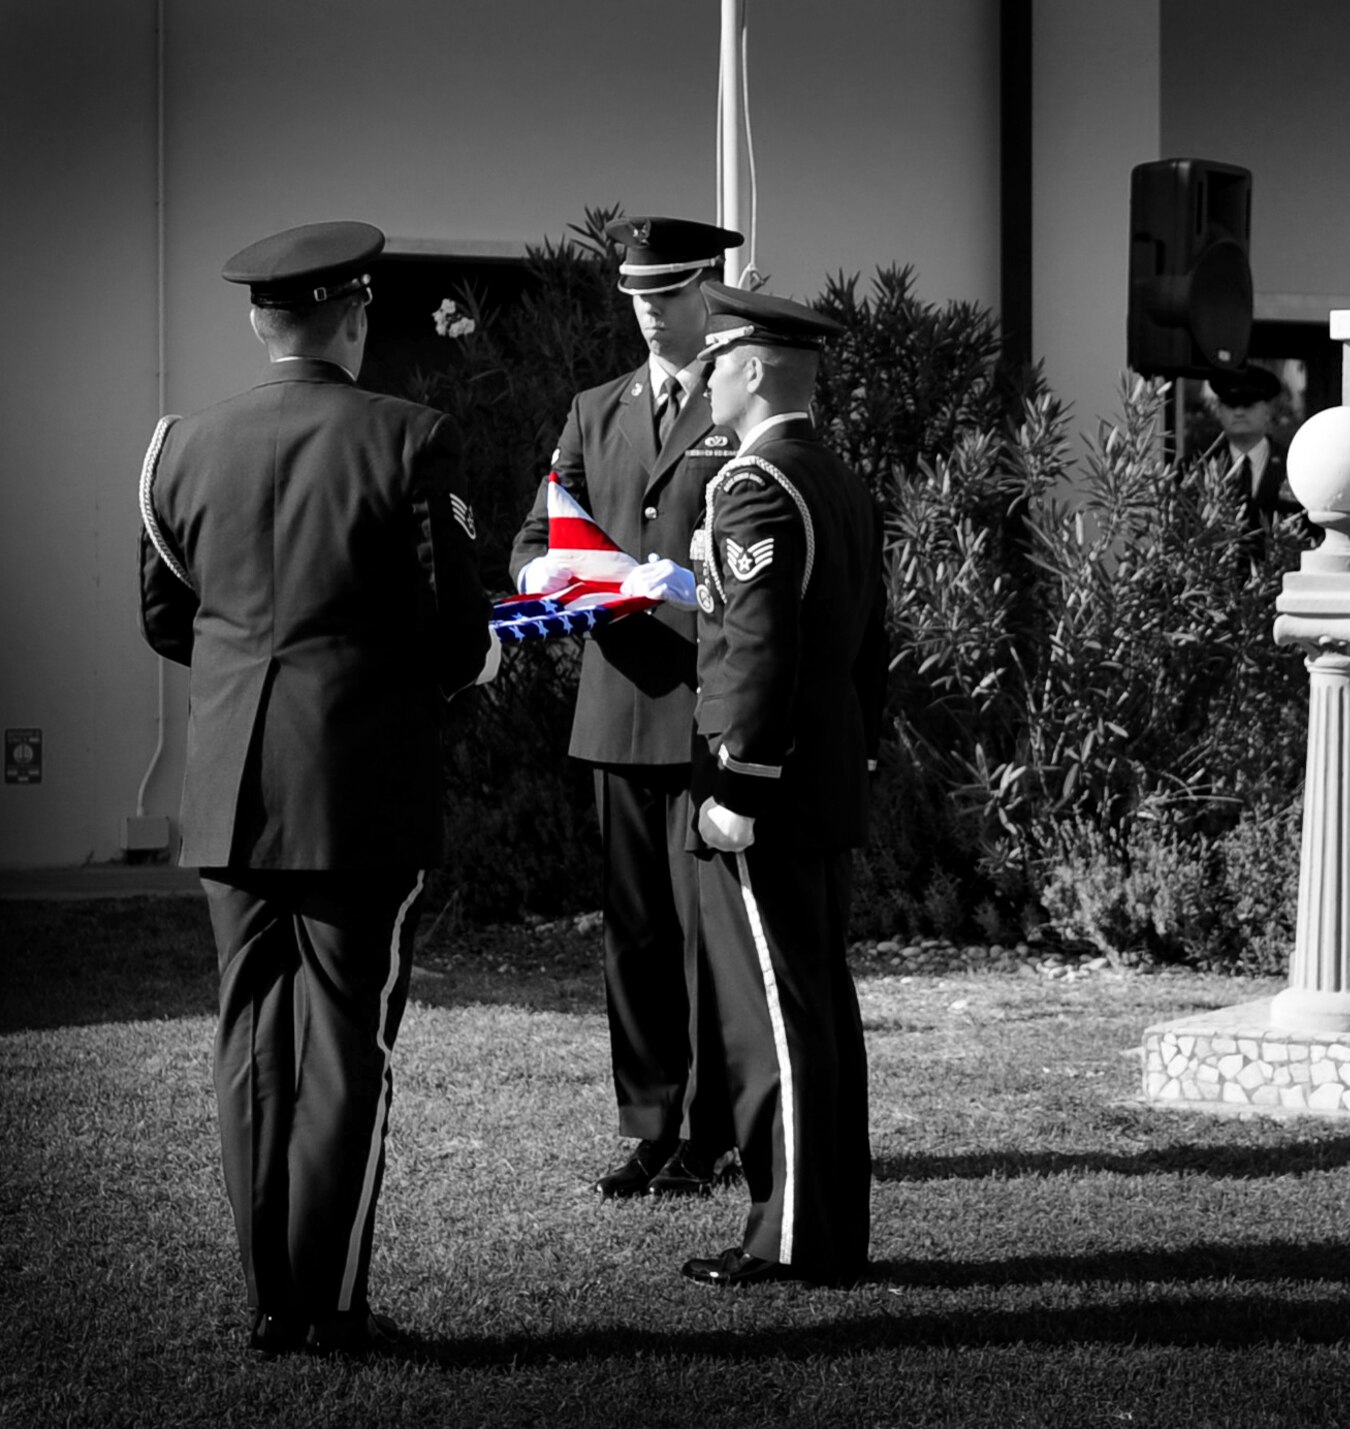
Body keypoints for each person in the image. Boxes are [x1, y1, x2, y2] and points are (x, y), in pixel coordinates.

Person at [137, 220, 495, 1356]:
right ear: (356, 317)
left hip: (230, 786)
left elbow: (163, 619)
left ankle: (269, 1303)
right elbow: (452, 631)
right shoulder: (408, 437)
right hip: (355, 784)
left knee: (250, 1038)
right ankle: (330, 1303)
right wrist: (460, 667)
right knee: (346, 1043)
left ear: (257, 319)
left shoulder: (177, 447)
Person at [507, 217, 745, 1199]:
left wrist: (691, 588)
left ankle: (715, 1131)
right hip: (616, 708)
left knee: (707, 936)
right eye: (636, 299)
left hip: (702, 704)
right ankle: (647, 1124)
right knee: (636, 934)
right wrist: (547, 568)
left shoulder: (737, 410)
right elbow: (529, 538)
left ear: (704, 293)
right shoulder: (594, 409)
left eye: (665, 295)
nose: (648, 314)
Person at [678, 284, 886, 1288]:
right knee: (815, 1008)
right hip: (822, 775)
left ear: (755, 371)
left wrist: (740, 786)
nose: (707, 376)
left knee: (776, 1017)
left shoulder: (754, 483)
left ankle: (792, 1237)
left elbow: (759, 648)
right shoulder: (833, 476)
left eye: (717, 360)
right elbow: (864, 653)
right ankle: (826, 1231)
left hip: (768, 788)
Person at [1205, 364, 1303, 558]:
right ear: (1219, 410)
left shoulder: (1295, 466)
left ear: (1267, 409)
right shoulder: (1197, 468)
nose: (1239, 412)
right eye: (1231, 404)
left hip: (1279, 578)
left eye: (1248, 404)